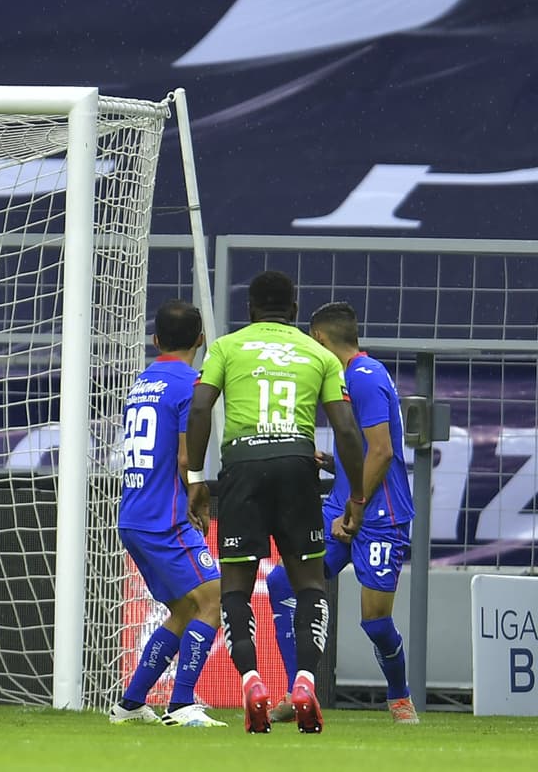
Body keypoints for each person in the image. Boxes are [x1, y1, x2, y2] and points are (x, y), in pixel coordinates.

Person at [184, 270, 365, 734]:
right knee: (309, 585)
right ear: (296, 310)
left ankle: (250, 682)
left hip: (243, 468)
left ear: (249, 310)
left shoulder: (226, 347)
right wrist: (357, 495)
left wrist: (196, 479)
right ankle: (304, 682)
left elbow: (201, 408)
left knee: (236, 588)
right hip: (297, 466)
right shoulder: (318, 353)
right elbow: (345, 429)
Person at [265, 302, 420, 725]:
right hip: (347, 502)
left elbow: (384, 452)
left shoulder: (363, 378)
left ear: (319, 341)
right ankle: (297, 692)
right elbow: (369, 450)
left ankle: (399, 696)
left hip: (380, 515)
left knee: (375, 622)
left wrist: (354, 509)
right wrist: (332, 462)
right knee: (283, 582)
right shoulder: (354, 375)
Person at [108, 300, 227, 728]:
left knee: (182, 610)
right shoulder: (190, 385)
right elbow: (183, 456)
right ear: (201, 340)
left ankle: (131, 703)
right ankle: (181, 705)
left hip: (134, 514)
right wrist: (200, 489)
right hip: (166, 517)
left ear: (155, 340)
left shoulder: (143, 382)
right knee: (213, 597)